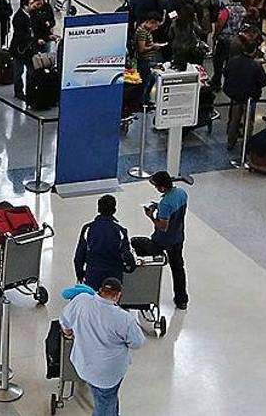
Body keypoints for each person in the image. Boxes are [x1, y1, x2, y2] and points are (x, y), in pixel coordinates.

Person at [59, 277, 145, 416]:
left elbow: (65, 322)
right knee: (104, 402)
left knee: (107, 398)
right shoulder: (124, 318)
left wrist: (70, 333)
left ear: (100, 290)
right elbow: (137, 342)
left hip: (83, 365)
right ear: (118, 295)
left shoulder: (81, 300)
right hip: (108, 374)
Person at [144, 171, 188, 310]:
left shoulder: (165, 204)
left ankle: (145, 293)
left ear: (162, 187)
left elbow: (162, 227)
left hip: (163, 240)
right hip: (178, 237)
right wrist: (159, 206)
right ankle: (182, 300)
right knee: (178, 268)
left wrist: (151, 216)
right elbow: (173, 208)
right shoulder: (181, 193)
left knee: (142, 249)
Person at [74, 195, 136, 292]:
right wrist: (129, 268)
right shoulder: (120, 231)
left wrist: (80, 274)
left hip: (93, 274)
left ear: (98, 209)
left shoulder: (88, 229)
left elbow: (79, 256)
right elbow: (126, 255)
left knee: (93, 301)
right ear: (114, 210)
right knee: (111, 302)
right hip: (114, 275)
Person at [223, 46, 266, 153]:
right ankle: (246, 144)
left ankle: (230, 142)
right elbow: (264, 82)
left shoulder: (233, 60)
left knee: (234, 120)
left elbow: (225, 73)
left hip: (235, 95)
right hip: (250, 97)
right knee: (249, 121)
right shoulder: (256, 65)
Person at [133, 13, 164, 102]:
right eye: (156, 26)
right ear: (152, 22)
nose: (156, 28)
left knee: (151, 79)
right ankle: (143, 101)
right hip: (144, 61)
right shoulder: (142, 32)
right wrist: (153, 46)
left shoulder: (146, 30)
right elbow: (141, 49)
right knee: (145, 82)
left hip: (147, 60)